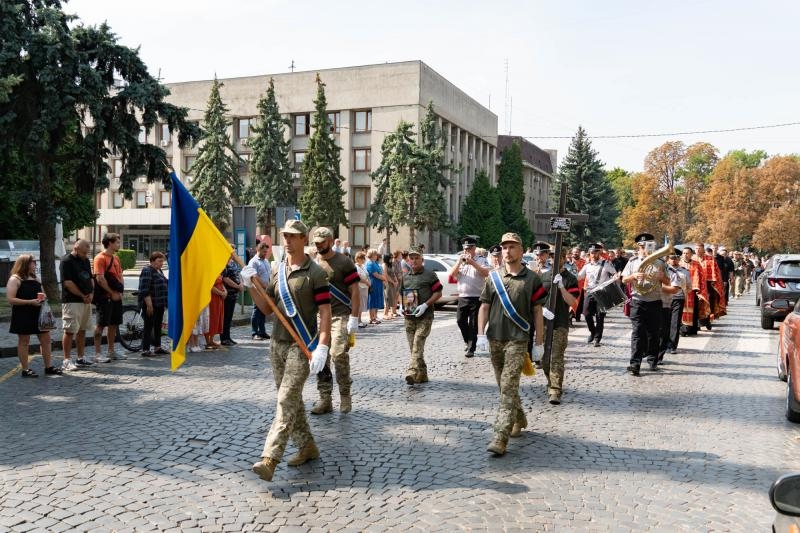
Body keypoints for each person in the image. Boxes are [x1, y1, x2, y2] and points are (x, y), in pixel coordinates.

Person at [249, 219, 331, 482]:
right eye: (285, 235)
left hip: (301, 345)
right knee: (292, 400)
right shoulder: (278, 269)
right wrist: (250, 285)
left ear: (304, 239)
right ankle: (307, 446)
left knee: (285, 400)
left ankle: (269, 458)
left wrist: (323, 346)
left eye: (293, 236)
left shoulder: (315, 273)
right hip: (277, 344)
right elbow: (266, 309)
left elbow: (325, 313)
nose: (288, 240)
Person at [476, 233, 547, 455]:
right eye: (504, 247)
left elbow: (538, 312)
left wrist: (539, 343)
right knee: (502, 385)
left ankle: (500, 436)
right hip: (495, 338)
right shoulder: (493, 277)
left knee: (508, 386)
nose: (507, 251)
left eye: (512, 247)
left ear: (521, 250)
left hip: (518, 340)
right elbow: (484, 307)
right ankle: (520, 417)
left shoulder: (532, 279)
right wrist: (479, 335)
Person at [308, 227, 361, 415]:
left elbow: (355, 291)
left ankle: (345, 395)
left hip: (340, 315)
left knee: (338, 354)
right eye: (316, 242)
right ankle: (325, 399)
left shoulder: (344, 262)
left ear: (330, 241)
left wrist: (354, 317)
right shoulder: (312, 263)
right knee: (320, 359)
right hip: (319, 317)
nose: (319, 245)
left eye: (322, 242)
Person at [621, 233, 669, 375]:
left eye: (647, 246)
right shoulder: (633, 261)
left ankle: (652, 360)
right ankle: (635, 363)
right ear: (638, 247)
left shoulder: (660, 262)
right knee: (637, 333)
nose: (644, 249)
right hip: (638, 301)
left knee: (654, 333)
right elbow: (624, 280)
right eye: (642, 246)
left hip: (655, 301)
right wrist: (633, 276)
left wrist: (662, 277)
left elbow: (668, 282)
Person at [6, 255, 62, 377]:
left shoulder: (35, 278)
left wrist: (43, 299)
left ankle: (48, 367)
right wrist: (30, 302)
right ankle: (25, 369)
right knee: (24, 341)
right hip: (22, 314)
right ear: (25, 264)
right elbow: (11, 299)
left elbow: (43, 293)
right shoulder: (15, 279)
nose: (35, 265)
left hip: (39, 313)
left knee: (46, 340)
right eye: (33, 263)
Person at [399, 245, 443, 384]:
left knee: (418, 343)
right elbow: (400, 293)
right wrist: (400, 305)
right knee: (414, 348)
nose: (414, 261)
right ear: (408, 260)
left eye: (417, 258)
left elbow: (438, 293)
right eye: (411, 258)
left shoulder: (430, 275)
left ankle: (412, 371)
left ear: (422, 259)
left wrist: (425, 305)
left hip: (425, 316)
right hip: (409, 318)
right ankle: (422, 374)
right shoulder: (405, 276)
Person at [542, 247, 580, 404]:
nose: (554, 260)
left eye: (558, 257)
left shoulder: (570, 278)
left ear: (564, 258)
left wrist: (561, 287)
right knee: (544, 360)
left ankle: (555, 390)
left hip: (560, 323)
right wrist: (542, 310)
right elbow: (535, 300)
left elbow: (573, 302)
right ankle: (550, 382)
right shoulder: (543, 277)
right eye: (552, 257)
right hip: (543, 323)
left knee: (556, 356)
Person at [447, 236, 490, 358]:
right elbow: (452, 275)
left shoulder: (481, 259)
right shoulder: (460, 260)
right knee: (460, 320)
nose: (467, 251)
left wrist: (473, 263)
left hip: (476, 297)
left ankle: (471, 348)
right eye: (465, 249)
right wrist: (459, 262)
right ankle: (467, 340)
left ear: (474, 248)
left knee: (473, 324)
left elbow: (486, 273)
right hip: (463, 296)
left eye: (469, 248)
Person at [60, 239, 95, 369]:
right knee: (69, 330)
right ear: (76, 248)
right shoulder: (66, 261)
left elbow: (91, 278)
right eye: (84, 253)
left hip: (86, 300)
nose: (86, 255)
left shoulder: (85, 260)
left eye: (87, 253)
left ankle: (80, 358)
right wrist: (82, 295)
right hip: (72, 300)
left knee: (82, 330)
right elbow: (68, 283)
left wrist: (91, 293)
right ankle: (66, 360)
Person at [577, 243, 618, 347]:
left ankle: (597, 339)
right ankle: (592, 331)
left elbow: (615, 273)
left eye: (595, 252)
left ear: (599, 252)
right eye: (591, 252)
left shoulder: (606, 263)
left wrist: (616, 277)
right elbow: (579, 277)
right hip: (590, 291)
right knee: (586, 314)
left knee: (600, 317)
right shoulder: (587, 265)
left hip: (602, 292)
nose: (593, 254)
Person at [93, 233, 125, 363]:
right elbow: (100, 278)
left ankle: (111, 351)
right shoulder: (100, 258)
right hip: (104, 297)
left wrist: (120, 291)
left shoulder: (116, 258)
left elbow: (120, 275)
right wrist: (111, 293)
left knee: (113, 324)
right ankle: (97, 353)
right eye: (117, 242)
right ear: (110, 243)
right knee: (101, 324)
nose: (119, 244)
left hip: (116, 296)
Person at [137, 251, 168, 356]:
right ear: (152, 261)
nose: (161, 263)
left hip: (159, 304)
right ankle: (145, 349)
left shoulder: (159, 271)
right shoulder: (147, 270)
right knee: (148, 326)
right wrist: (149, 305)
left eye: (162, 261)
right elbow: (145, 289)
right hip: (151, 304)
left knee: (157, 326)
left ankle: (157, 347)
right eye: (159, 261)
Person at [662, 251, 689, 358]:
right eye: (672, 258)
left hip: (678, 298)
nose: (674, 260)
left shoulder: (684, 271)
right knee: (665, 323)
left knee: (675, 323)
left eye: (676, 258)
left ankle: (672, 346)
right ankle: (663, 344)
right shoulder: (664, 270)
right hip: (665, 299)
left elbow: (689, 285)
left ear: (679, 259)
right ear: (668, 259)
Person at [679, 246, 707, 337]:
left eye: (687, 253)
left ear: (691, 254)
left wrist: (701, 292)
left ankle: (692, 330)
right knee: (681, 311)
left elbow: (702, 279)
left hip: (693, 291)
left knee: (693, 311)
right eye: (684, 253)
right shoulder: (679, 264)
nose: (685, 255)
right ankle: (682, 330)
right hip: (680, 291)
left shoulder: (697, 264)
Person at [248, 241, 272, 340]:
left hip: (266, 290)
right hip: (257, 290)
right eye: (263, 252)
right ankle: (254, 333)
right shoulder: (253, 262)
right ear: (258, 250)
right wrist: (263, 285)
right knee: (257, 311)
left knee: (263, 310)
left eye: (266, 252)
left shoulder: (266, 261)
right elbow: (253, 275)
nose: (265, 254)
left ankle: (262, 331)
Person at [220, 249, 243, 346]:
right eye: (233, 252)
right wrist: (237, 286)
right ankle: (224, 338)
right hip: (228, 294)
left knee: (229, 317)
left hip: (234, 294)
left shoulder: (233, 263)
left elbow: (238, 274)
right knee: (225, 317)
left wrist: (241, 283)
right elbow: (225, 279)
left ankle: (228, 337)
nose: (234, 254)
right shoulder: (223, 263)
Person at [700, 245, 726, 330]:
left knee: (708, 302)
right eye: (696, 249)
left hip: (708, 285)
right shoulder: (693, 259)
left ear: (702, 249)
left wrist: (717, 284)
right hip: (696, 285)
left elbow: (717, 273)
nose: (698, 250)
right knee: (698, 303)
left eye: (699, 249)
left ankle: (707, 321)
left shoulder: (711, 259)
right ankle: (698, 323)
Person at [365, 249, 385, 324]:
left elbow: (380, 272)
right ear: (372, 255)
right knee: (372, 300)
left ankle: (374, 317)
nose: (377, 256)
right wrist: (384, 278)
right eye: (375, 254)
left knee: (376, 299)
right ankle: (371, 318)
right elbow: (375, 274)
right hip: (373, 283)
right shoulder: (370, 263)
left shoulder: (375, 263)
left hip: (378, 283)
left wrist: (383, 278)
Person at [206, 274, 226, 349]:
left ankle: (212, 339)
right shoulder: (210, 272)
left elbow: (221, 283)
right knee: (212, 317)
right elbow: (210, 286)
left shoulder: (219, 271)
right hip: (213, 298)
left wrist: (225, 292)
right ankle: (207, 341)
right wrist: (221, 293)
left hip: (219, 298)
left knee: (217, 317)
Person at [354, 251, 371, 328]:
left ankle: (360, 320)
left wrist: (368, 282)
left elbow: (366, 275)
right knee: (359, 304)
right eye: (362, 258)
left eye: (364, 258)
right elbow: (358, 278)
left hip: (365, 287)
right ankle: (357, 321)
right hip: (360, 287)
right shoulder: (356, 267)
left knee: (362, 304)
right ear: (358, 259)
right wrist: (367, 282)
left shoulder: (363, 266)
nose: (364, 259)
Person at [382, 253, 398, 320]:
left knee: (392, 298)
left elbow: (393, 273)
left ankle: (391, 312)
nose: (391, 259)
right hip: (387, 283)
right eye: (390, 257)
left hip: (392, 283)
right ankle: (385, 314)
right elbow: (385, 275)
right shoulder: (384, 265)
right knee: (387, 298)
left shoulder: (390, 265)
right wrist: (393, 282)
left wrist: (396, 281)